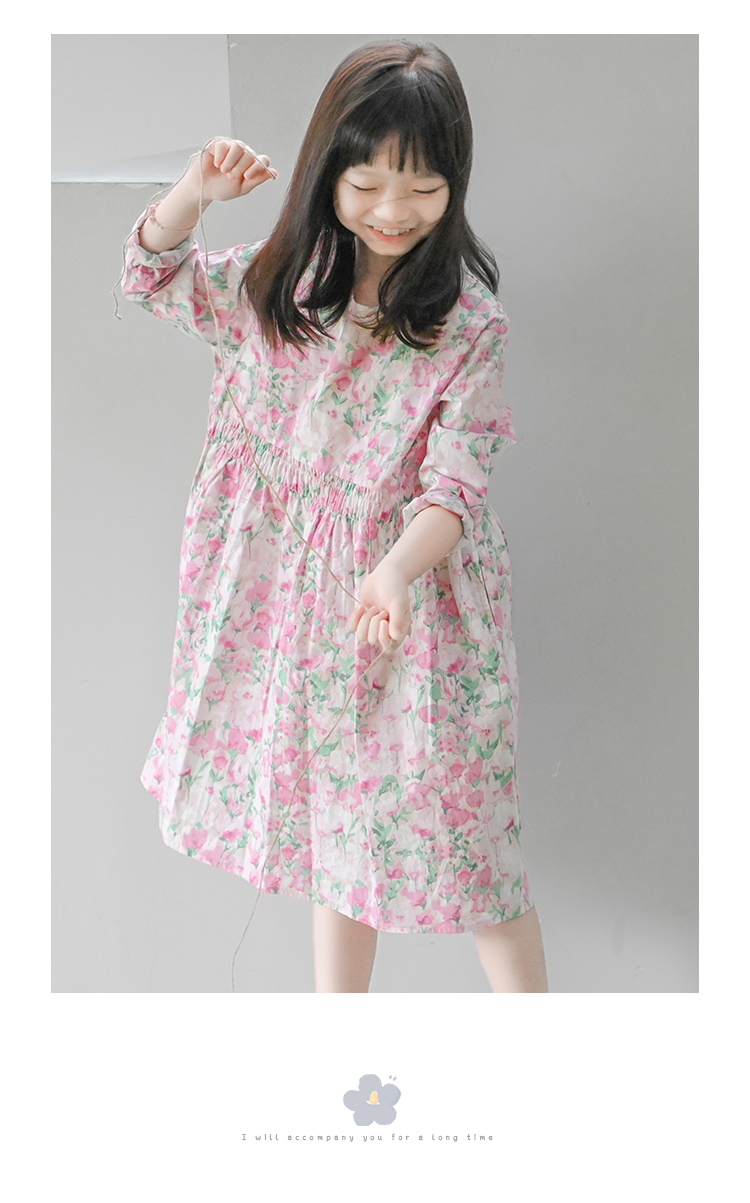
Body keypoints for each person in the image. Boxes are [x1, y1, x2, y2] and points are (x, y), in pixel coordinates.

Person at [120, 38, 548, 993]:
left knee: (477, 850)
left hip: (416, 614)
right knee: (335, 836)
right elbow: (152, 278)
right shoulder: (280, 286)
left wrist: (393, 568)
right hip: (291, 607)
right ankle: (338, 1051)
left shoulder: (467, 324)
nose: (394, 210)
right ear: (329, 174)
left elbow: (455, 486)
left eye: (423, 188)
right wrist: (192, 193)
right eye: (367, 184)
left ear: (454, 186)